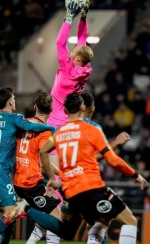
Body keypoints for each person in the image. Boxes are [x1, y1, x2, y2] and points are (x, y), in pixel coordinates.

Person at [7, 92, 131, 244]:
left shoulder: (61, 129)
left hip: (68, 186)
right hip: (87, 186)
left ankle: (26, 213)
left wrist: (53, 176)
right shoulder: (93, 129)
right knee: (101, 222)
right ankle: (26, 209)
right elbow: (99, 156)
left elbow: (45, 152)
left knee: (66, 227)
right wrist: (117, 143)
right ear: (90, 108)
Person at [0, 87, 55, 244]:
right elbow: (30, 127)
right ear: (9, 101)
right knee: (12, 213)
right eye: (13, 98)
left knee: (11, 216)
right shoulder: (14, 118)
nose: (14, 100)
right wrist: (50, 128)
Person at [47, 0, 93, 180]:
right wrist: (83, 18)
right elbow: (82, 40)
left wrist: (68, 18)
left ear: (77, 59)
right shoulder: (86, 68)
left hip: (56, 120)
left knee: (54, 164)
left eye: (73, 52)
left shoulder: (69, 68)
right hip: (71, 119)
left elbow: (59, 43)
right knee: (67, 161)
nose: (71, 51)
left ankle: (57, 200)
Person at [12, 92, 61, 244]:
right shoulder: (45, 131)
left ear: (35, 107)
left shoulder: (24, 123)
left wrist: (61, 172)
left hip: (19, 180)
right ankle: (23, 208)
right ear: (52, 109)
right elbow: (43, 155)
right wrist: (52, 177)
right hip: (31, 183)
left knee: (46, 216)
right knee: (57, 220)